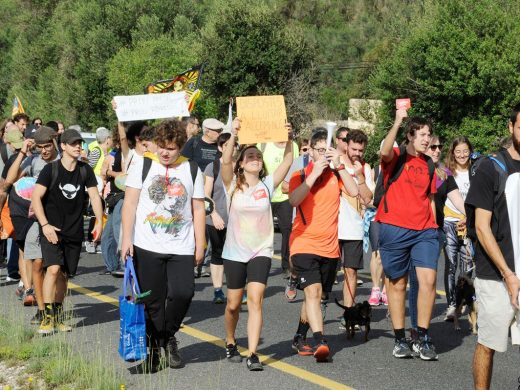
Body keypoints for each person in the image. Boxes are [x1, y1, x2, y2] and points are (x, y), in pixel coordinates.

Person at [121, 119, 205, 371]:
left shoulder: (191, 169)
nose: (166, 152)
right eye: (162, 146)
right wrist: (126, 239)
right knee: (152, 302)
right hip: (147, 245)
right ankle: (154, 354)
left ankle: (168, 335)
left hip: (181, 245)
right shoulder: (144, 165)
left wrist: (200, 243)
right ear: (155, 144)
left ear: (180, 147)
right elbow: (130, 204)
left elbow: (198, 208)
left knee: (183, 293)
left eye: (172, 148)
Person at [220, 119, 293, 371]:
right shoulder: (232, 184)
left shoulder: (267, 185)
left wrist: (289, 137)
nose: (255, 159)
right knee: (233, 304)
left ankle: (253, 353)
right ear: (242, 163)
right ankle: (230, 340)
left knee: (256, 299)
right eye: (250, 156)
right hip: (234, 251)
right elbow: (226, 161)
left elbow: (287, 161)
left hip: (260, 251)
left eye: (258, 157)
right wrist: (233, 134)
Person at [288, 129, 358, 362]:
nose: (323, 155)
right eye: (319, 151)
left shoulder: (335, 175)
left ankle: (299, 335)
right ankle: (320, 340)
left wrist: (339, 166)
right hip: (303, 243)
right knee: (313, 292)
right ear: (309, 152)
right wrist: (313, 174)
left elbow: (355, 191)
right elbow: (294, 200)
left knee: (316, 297)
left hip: (329, 248)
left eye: (327, 151)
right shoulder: (299, 174)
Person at [376, 109, 439, 361]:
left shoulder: (430, 163)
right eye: (422, 134)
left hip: (425, 230)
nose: (427, 139)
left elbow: (430, 198)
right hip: (394, 228)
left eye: (429, 134)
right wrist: (397, 122)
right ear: (411, 136)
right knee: (398, 283)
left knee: (429, 280)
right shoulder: (398, 156)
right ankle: (400, 338)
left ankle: (422, 336)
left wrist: (435, 225)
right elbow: (383, 151)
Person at [467, 105, 520, 390]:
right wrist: (508, 275)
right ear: (511, 128)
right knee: (489, 343)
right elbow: (481, 227)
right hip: (495, 274)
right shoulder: (491, 168)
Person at [31, 129, 103, 334]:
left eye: (79, 143)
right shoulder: (50, 170)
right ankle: (46, 318)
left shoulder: (84, 170)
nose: (78, 146)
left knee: (63, 275)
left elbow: (95, 197)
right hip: (51, 229)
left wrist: (99, 220)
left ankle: (58, 316)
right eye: (73, 143)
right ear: (62, 146)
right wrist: (44, 225)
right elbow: (36, 198)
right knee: (52, 269)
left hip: (74, 230)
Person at [406, 135, 466, 340]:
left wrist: (471, 216)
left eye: (440, 146)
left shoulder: (444, 173)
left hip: (436, 231)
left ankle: (421, 328)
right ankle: (416, 327)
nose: (437, 150)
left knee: (428, 283)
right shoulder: (412, 168)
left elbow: (457, 198)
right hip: (414, 232)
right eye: (433, 146)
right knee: (418, 282)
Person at [4, 126, 60, 323]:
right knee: (37, 263)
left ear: (54, 143)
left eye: (47, 146)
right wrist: (22, 153)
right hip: (36, 220)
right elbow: (8, 181)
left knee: (55, 269)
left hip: (57, 220)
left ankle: (55, 308)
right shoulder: (33, 161)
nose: (44, 151)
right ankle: (42, 308)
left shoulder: (63, 161)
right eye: (40, 147)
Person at [337, 130, 374, 310]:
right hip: (331, 226)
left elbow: (369, 200)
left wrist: (360, 177)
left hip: (354, 229)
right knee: (325, 274)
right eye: (354, 149)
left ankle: (348, 312)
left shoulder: (365, 168)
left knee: (351, 272)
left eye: (360, 150)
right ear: (346, 145)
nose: (357, 154)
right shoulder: (334, 162)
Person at [258, 135, 299, 279]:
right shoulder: (263, 144)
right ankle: (260, 263)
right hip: (266, 194)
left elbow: (294, 166)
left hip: (285, 195)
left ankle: (286, 266)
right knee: (263, 231)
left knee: (287, 230)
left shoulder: (293, 145)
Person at [443, 136, 474, 321]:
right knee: (451, 266)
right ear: (453, 153)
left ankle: (465, 301)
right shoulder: (447, 172)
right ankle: (451, 306)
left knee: (468, 267)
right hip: (450, 223)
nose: (462, 155)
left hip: (469, 223)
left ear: (470, 151)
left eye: (465, 151)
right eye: (458, 151)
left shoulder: (476, 171)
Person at [204, 132, 233, 304]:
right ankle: (217, 290)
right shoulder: (212, 167)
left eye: (233, 145)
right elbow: (206, 195)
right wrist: (214, 215)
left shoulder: (240, 166)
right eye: (227, 145)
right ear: (220, 148)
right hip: (216, 219)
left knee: (236, 256)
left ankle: (236, 289)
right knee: (218, 253)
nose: (231, 148)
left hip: (237, 220)